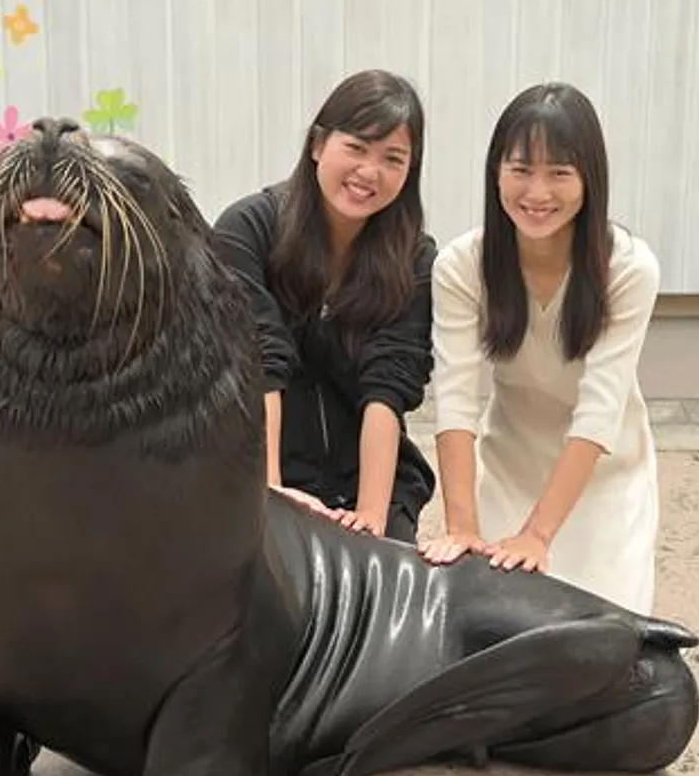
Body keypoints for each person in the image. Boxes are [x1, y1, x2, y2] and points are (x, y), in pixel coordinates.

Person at [420, 81, 663, 614]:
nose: (537, 192)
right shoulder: (463, 264)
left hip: (605, 474)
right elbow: (456, 399)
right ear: (496, 173)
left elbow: (600, 412)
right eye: (521, 169)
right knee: (500, 628)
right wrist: (462, 526)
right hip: (508, 464)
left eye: (559, 172)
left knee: (606, 630)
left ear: (589, 180)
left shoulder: (627, 268)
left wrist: (538, 534)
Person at [212, 69, 438, 545]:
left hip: (369, 476)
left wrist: (371, 517)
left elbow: (389, 385)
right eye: (356, 148)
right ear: (318, 144)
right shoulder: (247, 228)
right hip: (263, 468)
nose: (369, 172)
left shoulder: (414, 257)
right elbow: (259, 363)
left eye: (392, 158)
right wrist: (270, 493)